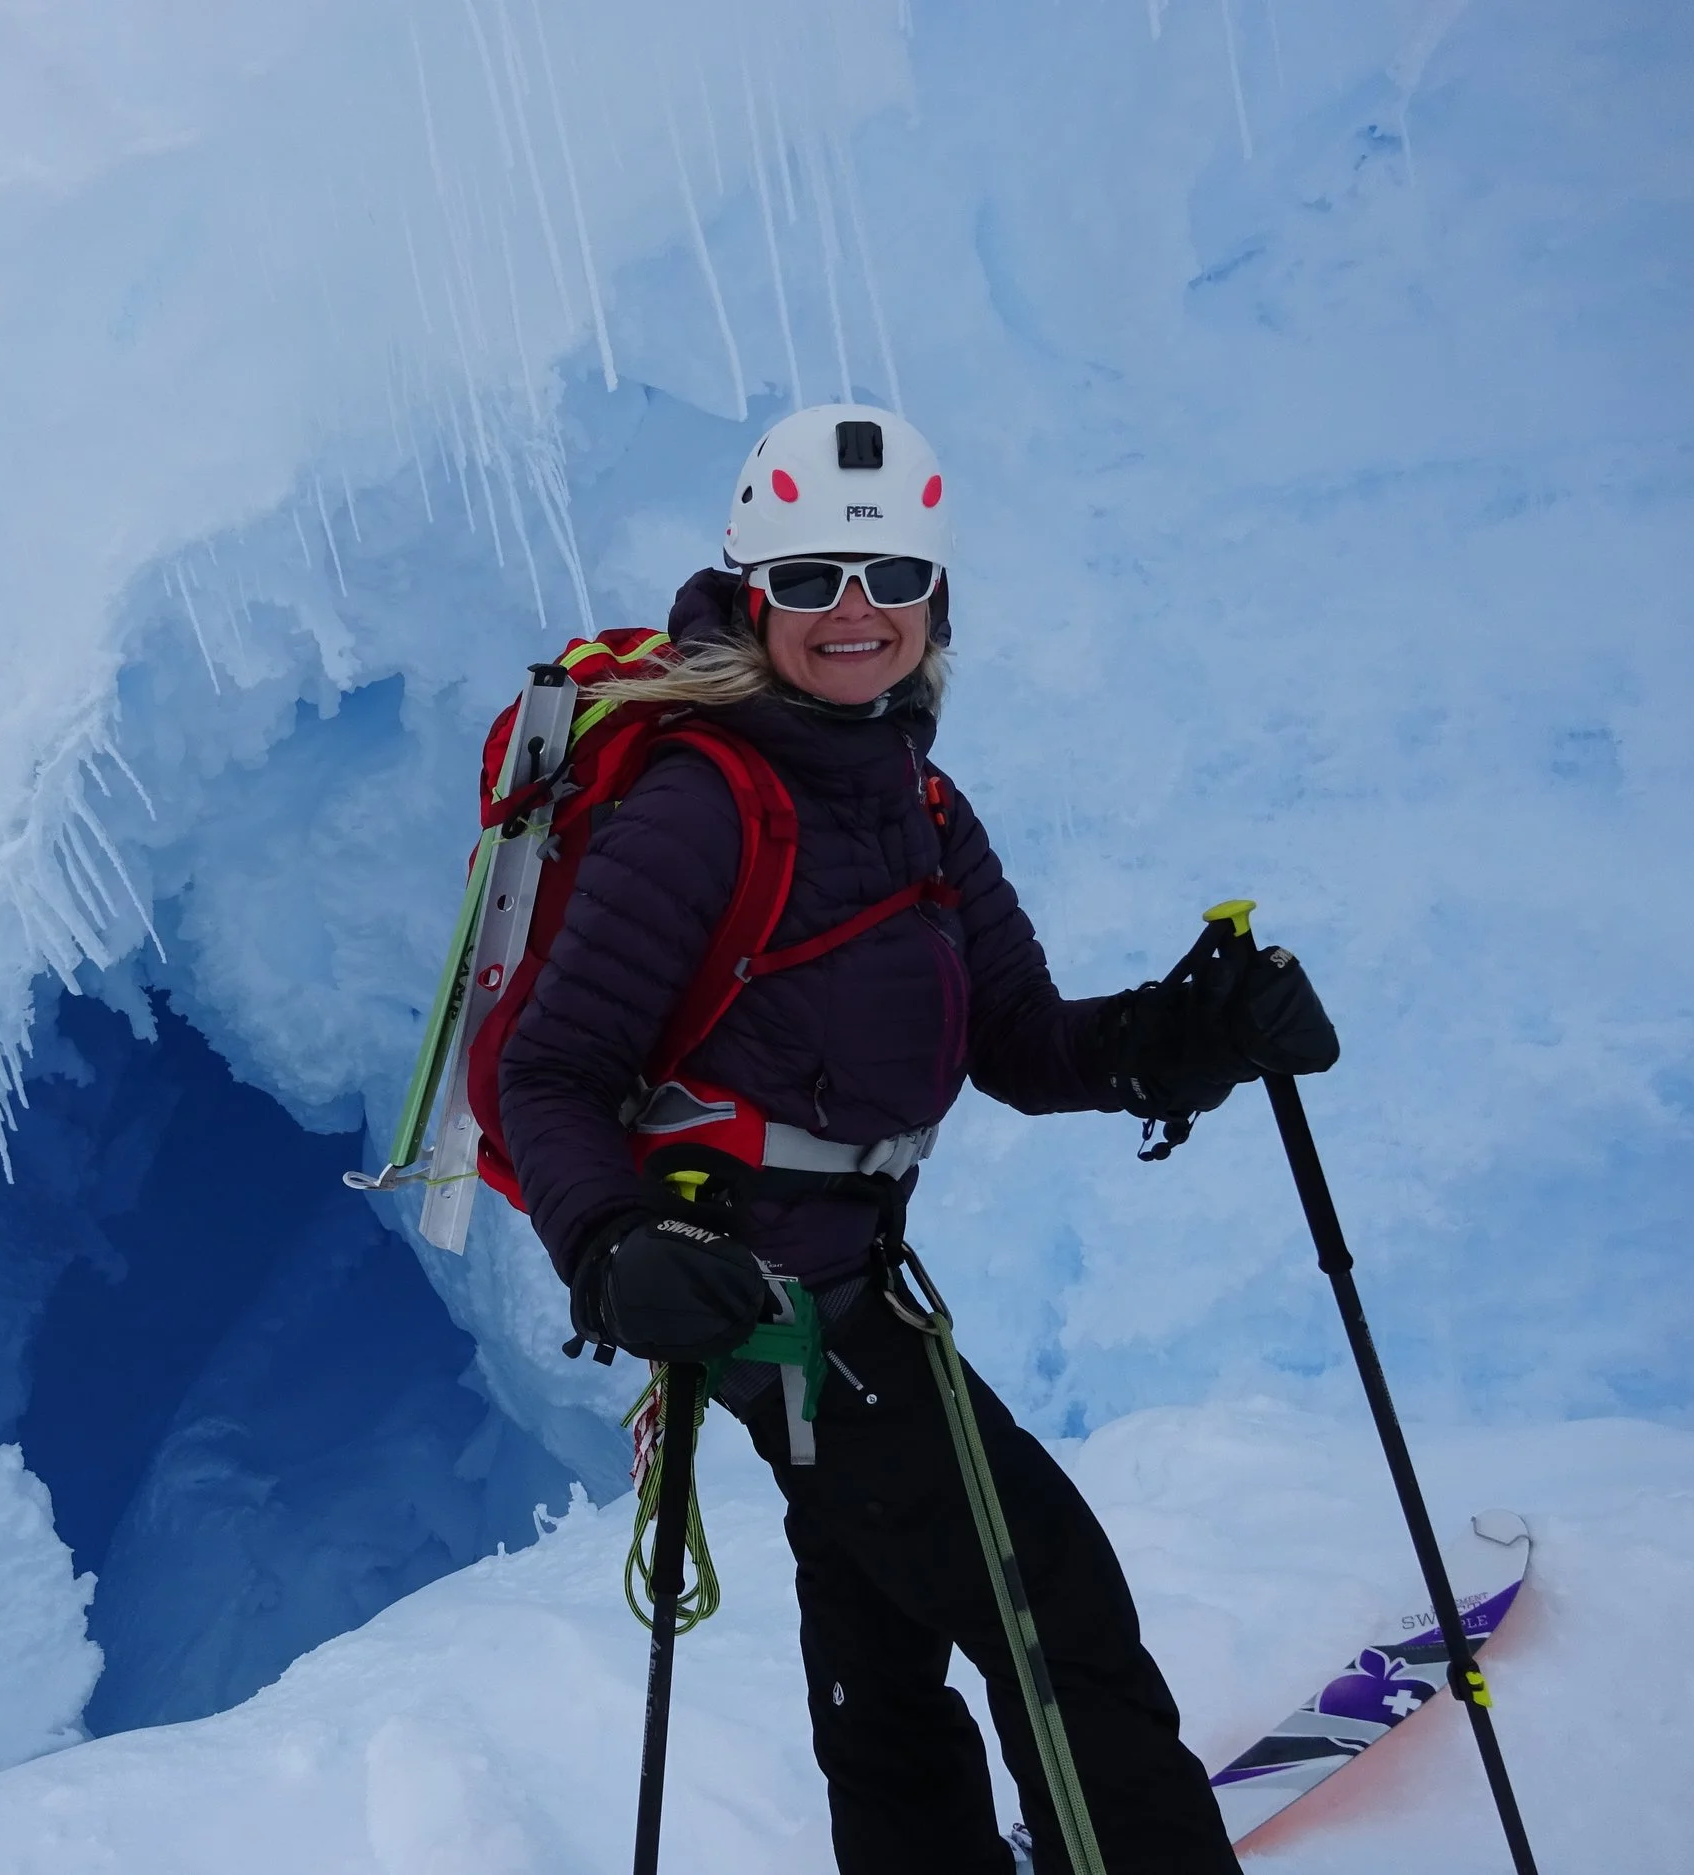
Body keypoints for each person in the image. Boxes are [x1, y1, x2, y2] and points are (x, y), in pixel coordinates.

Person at [498, 404, 1330, 1874]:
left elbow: (1018, 1039)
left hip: (851, 1288)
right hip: (762, 1305)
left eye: (890, 581)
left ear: (938, 604)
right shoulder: (701, 808)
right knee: (1050, 1606)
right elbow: (552, 1076)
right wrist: (614, 1244)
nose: (854, 614)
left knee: (882, 1646)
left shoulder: (921, 804)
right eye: (812, 579)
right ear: (754, 594)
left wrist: (1184, 1035)